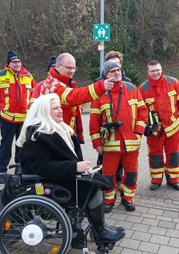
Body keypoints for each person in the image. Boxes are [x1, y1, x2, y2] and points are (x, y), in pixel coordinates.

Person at [17, 93, 125, 246]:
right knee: (93, 187)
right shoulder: (37, 135)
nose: (60, 110)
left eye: (60, 107)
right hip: (46, 182)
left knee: (98, 181)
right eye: (55, 108)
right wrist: (74, 167)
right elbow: (42, 167)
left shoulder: (59, 129)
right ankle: (100, 231)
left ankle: (99, 229)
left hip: (58, 177)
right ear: (44, 112)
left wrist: (82, 168)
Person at [89, 60, 148, 213]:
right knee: (108, 175)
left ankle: (128, 198)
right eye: (112, 71)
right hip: (110, 143)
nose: (116, 73)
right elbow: (94, 121)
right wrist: (96, 142)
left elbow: (143, 111)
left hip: (132, 143)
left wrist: (139, 132)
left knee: (131, 173)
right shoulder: (100, 93)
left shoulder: (132, 88)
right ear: (105, 75)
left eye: (118, 70)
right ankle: (109, 200)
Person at [40, 53, 115, 144]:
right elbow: (74, 96)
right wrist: (101, 87)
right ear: (58, 66)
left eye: (73, 68)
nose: (72, 71)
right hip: (58, 136)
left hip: (63, 134)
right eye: (68, 68)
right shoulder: (55, 86)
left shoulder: (57, 81)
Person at [0, 50, 36, 183]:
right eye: (14, 62)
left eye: (19, 61)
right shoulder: (0, 75)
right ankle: (2, 171)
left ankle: (19, 170)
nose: (17, 64)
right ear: (8, 64)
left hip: (24, 119)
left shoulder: (28, 76)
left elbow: (35, 95)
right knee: (6, 144)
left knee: (21, 146)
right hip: (7, 118)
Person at [139, 60, 179, 191]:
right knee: (155, 156)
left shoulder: (173, 82)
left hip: (173, 128)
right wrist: (145, 127)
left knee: (174, 155)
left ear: (161, 69)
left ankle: (173, 180)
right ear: (148, 72)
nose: (156, 73)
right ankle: (156, 180)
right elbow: (139, 110)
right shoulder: (143, 88)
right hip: (155, 131)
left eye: (157, 70)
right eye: (153, 71)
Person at [95, 51, 130, 191]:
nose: (116, 69)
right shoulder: (99, 83)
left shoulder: (128, 83)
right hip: (106, 129)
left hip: (123, 129)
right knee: (103, 158)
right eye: (112, 65)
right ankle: (103, 183)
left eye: (118, 64)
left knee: (121, 159)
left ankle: (119, 182)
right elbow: (94, 110)